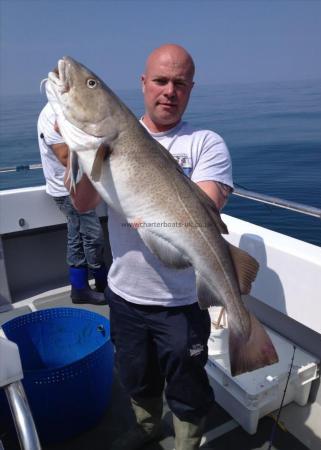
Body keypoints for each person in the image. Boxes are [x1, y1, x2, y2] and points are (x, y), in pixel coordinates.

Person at [68, 44, 233, 450]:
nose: (169, 91)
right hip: (125, 292)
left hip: (180, 301)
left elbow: (208, 206)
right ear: (143, 83)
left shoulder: (206, 143)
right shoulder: (108, 136)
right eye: (160, 81)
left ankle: (186, 442)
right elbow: (83, 203)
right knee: (135, 373)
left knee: (187, 382)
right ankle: (146, 427)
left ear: (191, 88)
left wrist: (153, 196)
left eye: (179, 83)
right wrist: (91, 148)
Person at [37, 103, 108, 305]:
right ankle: (101, 283)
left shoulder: (69, 110)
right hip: (67, 189)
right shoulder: (52, 116)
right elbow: (65, 157)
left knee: (76, 234)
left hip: (78, 184)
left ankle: (80, 288)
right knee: (91, 236)